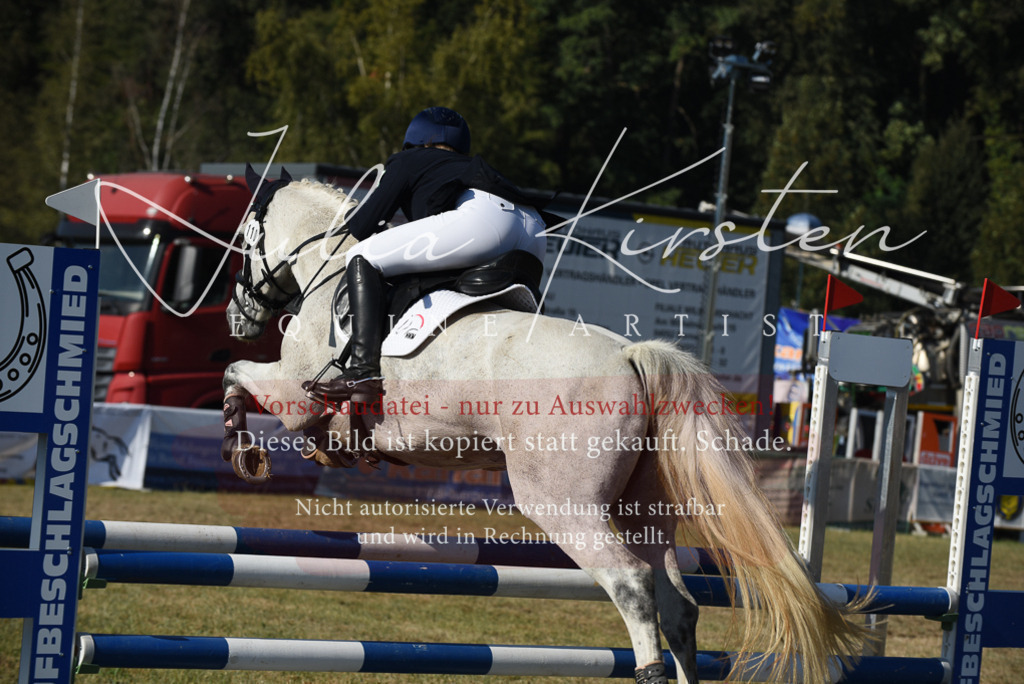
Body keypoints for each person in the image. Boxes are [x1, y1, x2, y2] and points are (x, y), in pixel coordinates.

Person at [303, 106, 548, 405]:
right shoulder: (461, 166)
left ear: (417, 142)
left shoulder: (410, 160)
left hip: (484, 221)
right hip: (534, 229)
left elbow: (363, 226)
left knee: (362, 255)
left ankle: (363, 372)